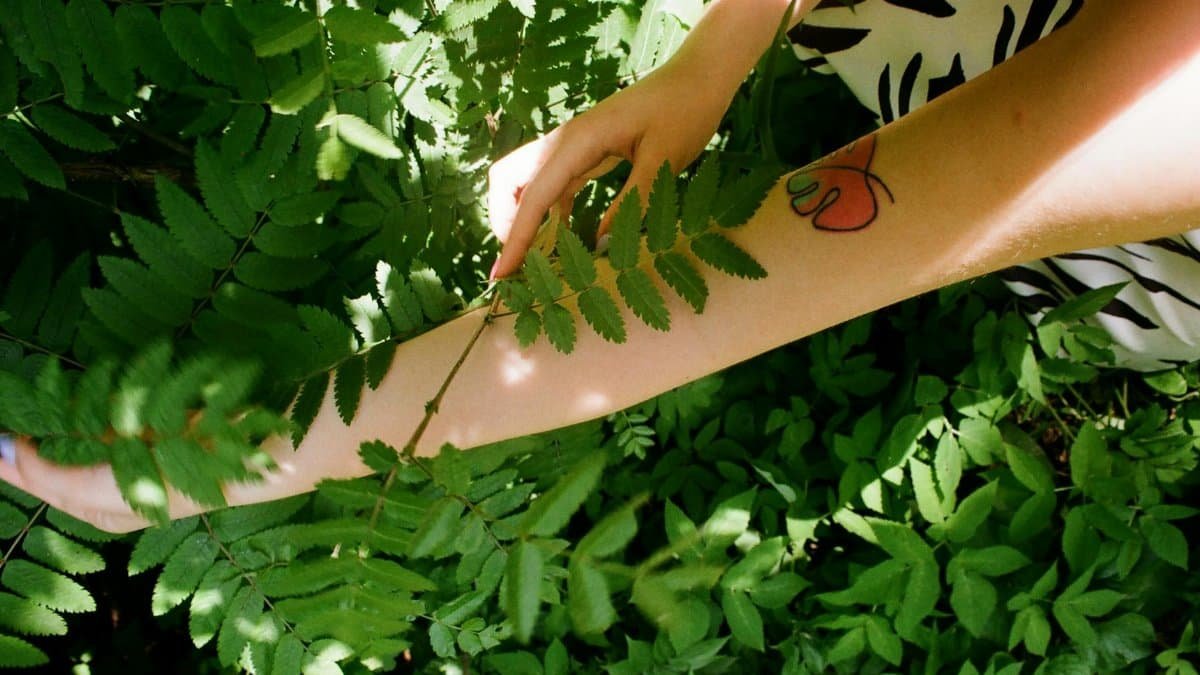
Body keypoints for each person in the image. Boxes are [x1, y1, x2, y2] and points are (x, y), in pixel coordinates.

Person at [1, 0, 1197, 532]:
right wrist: (710, 58)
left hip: (1112, 176)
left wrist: (278, 450)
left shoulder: (1170, 103)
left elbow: (761, 269)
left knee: (1024, 205)